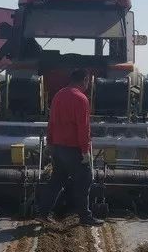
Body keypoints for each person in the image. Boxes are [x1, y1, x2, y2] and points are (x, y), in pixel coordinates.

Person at [38, 69, 102, 227]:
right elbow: (83, 128)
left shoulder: (58, 95)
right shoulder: (81, 99)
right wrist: (85, 151)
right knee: (84, 181)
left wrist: (50, 142)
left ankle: (42, 213)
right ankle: (85, 217)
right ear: (85, 80)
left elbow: (51, 121)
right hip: (73, 149)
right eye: (88, 81)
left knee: (56, 181)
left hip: (58, 148)